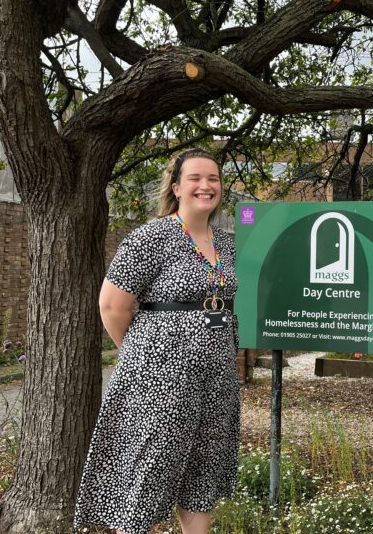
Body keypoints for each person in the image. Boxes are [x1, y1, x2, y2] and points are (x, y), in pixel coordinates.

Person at [74, 148, 239, 534]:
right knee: (147, 471)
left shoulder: (226, 242)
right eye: (196, 178)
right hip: (160, 379)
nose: (206, 185)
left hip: (216, 378)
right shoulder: (151, 237)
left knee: (203, 470)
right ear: (177, 187)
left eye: (213, 178)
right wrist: (146, 355)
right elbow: (112, 306)